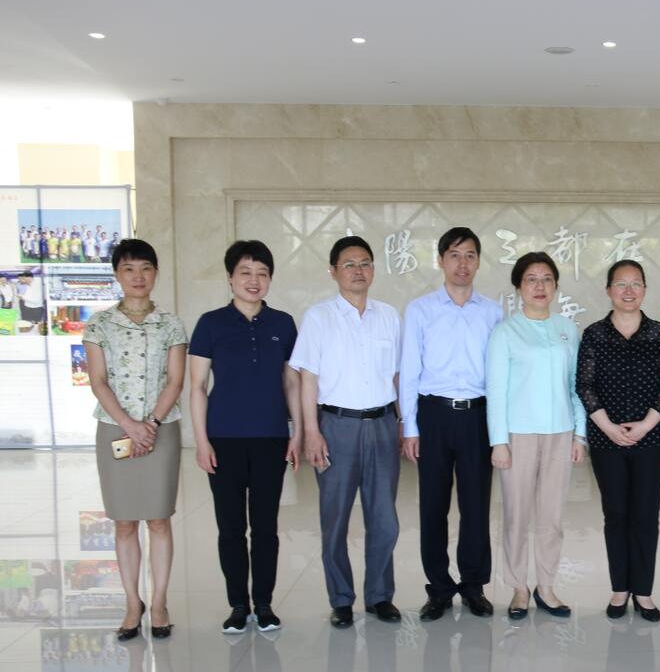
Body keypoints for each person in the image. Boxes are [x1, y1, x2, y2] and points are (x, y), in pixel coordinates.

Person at [289, 236, 402, 629]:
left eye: (365, 263)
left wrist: (404, 424)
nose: (358, 271)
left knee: (384, 518)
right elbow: (307, 379)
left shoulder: (389, 316)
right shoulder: (318, 317)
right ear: (333, 271)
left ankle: (380, 596)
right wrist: (311, 431)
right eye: (349, 264)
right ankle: (341, 599)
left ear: (374, 270)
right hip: (336, 426)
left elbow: (397, 376)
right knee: (335, 518)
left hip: (382, 424)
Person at [189, 240, 301, 634]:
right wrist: (201, 441)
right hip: (223, 440)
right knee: (231, 528)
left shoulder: (283, 324)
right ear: (230, 277)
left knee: (266, 527)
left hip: (271, 438)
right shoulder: (210, 323)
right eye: (245, 273)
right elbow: (197, 386)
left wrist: (297, 432)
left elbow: (291, 382)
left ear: (270, 278)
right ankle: (238, 605)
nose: (254, 281)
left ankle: (264, 604)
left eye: (262, 273)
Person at [82, 239, 187, 640]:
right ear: (117, 275)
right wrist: (130, 425)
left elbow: (175, 381)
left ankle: (158, 602)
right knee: (124, 522)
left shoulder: (171, 324)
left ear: (156, 273)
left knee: (159, 519)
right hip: (115, 430)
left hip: (162, 428)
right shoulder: (99, 324)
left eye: (145, 268)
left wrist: (151, 424)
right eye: (129, 269)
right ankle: (131, 602)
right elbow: (98, 381)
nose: (138, 276)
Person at [399, 227, 502, 622]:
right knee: (433, 507)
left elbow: (499, 375)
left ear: (478, 262)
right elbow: (409, 370)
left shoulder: (492, 312)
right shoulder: (420, 309)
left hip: (477, 416)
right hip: (434, 415)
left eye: (470, 255)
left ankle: (473, 586)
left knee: (476, 506)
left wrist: (500, 430)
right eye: (455, 255)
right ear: (441, 260)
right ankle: (439, 589)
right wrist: (410, 428)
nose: (463, 263)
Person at [486, 251, 586, 619]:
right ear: (518, 287)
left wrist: (580, 434)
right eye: (531, 279)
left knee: (551, 516)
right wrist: (499, 441)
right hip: (519, 435)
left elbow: (576, 385)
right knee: (516, 515)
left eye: (547, 279)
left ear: (556, 286)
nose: (539, 286)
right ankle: (518, 587)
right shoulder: (505, 332)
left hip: (560, 432)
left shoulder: (567, 329)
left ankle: (546, 585)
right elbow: (496, 389)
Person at [577, 259, 660, 621]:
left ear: (645, 290)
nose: (629, 291)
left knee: (646, 515)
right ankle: (620, 589)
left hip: (653, 439)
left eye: (636, 284)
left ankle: (644, 592)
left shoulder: (659, 333)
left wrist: (646, 425)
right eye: (621, 284)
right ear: (609, 291)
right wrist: (608, 427)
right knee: (616, 514)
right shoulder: (594, 334)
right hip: (607, 441)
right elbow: (584, 385)